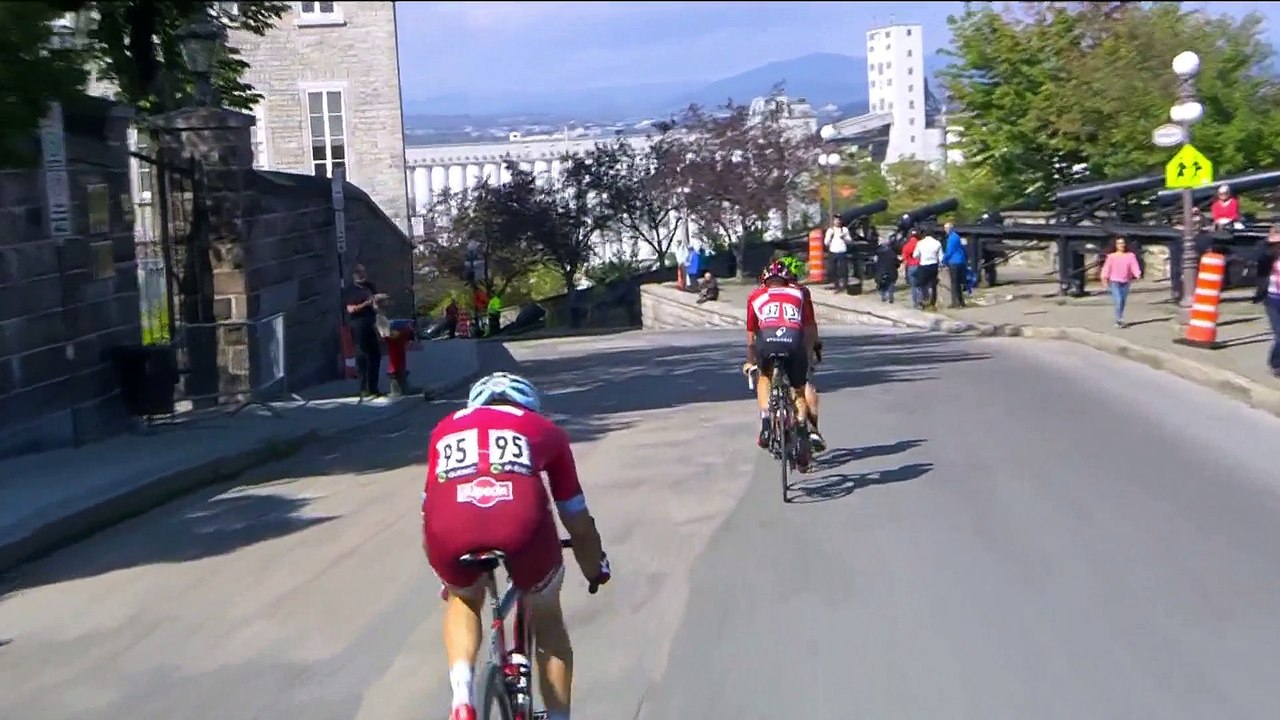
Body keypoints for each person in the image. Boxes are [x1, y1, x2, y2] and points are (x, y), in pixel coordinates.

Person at [422, 372, 612, 720]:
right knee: (547, 613)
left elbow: (429, 504)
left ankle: (463, 697)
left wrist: (451, 577)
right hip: (519, 524)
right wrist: (595, 569)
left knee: (463, 598)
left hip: (449, 526)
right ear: (530, 407)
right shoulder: (544, 430)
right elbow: (576, 519)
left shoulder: (445, 428)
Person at [744, 261, 818, 464]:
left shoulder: (756, 296)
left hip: (766, 342)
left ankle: (767, 425)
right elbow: (809, 329)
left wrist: (750, 361)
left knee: (764, 376)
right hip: (793, 341)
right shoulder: (800, 293)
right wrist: (810, 353)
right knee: (798, 390)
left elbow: (751, 336)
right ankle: (803, 431)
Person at [778, 255, 826, 452]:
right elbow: (809, 324)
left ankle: (772, 418)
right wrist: (815, 345)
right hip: (797, 340)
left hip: (768, 340)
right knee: (805, 383)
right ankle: (813, 429)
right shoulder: (801, 293)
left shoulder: (766, 290)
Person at [343, 264, 389, 398]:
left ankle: (373, 387)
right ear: (354, 275)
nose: (362, 275)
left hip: (371, 323)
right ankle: (363, 388)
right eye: (359, 272)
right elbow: (350, 309)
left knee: (375, 355)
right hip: (358, 324)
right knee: (362, 356)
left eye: (363, 272)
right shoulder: (351, 290)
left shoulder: (370, 286)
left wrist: (381, 301)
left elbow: (375, 304)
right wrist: (366, 303)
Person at [1252, 225, 1280, 378]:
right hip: (1272, 298)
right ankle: (1276, 364)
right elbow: (1256, 256)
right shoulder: (1268, 252)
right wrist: (1268, 243)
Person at [1100, 236, 1142, 328]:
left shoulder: (1130, 256)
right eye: (1119, 243)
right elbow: (1106, 268)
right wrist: (1104, 278)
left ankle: (1120, 318)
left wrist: (1137, 274)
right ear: (1116, 245)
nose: (1121, 245)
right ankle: (1119, 320)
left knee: (1122, 301)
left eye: (1122, 243)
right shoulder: (1111, 257)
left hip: (1126, 281)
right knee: (1118, 301)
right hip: (1114, 281)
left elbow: (1134, 266)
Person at [913, 231, 944, 310]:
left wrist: (920, 257)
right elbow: (941, 257)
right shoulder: (937, 243)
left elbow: (915, 255)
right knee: (932, 284)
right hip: (934, 265)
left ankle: (922, 301)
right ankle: (932, 302)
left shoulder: (920, 243)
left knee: (920, 284)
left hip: (923, 264)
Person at [942, 222, 968, 308]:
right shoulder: (957, 236)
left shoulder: (951, 238)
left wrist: (943, 261)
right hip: (961, 261)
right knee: (958, 283)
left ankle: (955, 302)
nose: (945, 230)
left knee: (954, 283)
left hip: (954, 262)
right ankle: (961, 302)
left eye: (946, 228)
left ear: (949, 229)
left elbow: (949, 251)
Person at [824, 216, 852, 291]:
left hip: (842, 251)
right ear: (834, 221)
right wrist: (829, 240)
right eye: (836, 220)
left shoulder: (844, 230)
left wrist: (844, 238)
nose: (838, 222)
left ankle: (845, 284)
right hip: (833, 251)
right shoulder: (830, 230)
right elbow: (826, 242)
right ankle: (836, 284)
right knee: (832, 269)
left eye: (839, 220)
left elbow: (849, 240)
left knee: (843, 269)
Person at [900, 230, 922, 308]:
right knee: (919, 286)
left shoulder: (906, 245)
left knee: (913, 286)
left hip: (911, 266)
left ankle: (915, 303)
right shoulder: (921, 244)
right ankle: (920, 302)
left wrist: (903, 271)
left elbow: (904, 259)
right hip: (919, 266)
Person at [874, 236, 899, 303]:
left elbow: (875, 262)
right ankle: (890, 297)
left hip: (881, 272)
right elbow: (897, 263)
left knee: (882, 285)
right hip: (891, 272)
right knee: (891, 284)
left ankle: (883, 297)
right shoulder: (893, 253)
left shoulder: (877, 252)